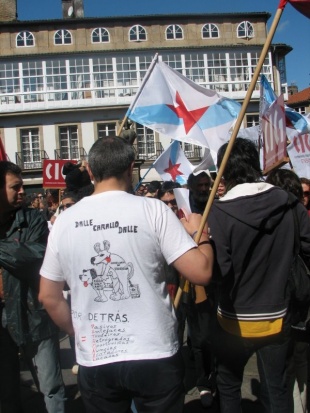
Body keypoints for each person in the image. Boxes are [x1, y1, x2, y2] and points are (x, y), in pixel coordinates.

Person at [39, 136, 214, 413]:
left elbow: (49, 296)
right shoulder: (153, 210)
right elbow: (202, 272)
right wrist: (201, 235)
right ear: (131, 167)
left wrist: (77, 329)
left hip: (96, 358)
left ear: (91, 171)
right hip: (154, 353)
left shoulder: (64, 221)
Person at [208, 138, 310, 413]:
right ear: (255, 165)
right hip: (279, 314)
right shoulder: (288, 202)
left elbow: (219, 270)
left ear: (224, 172)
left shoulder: (218, 212)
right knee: (277, 389)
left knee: (228, 387)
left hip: (232, 319)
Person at [0, 161, 65, 413]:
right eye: (15, 187)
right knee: (7, 390)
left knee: (51, 387)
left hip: (33, 314)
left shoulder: (34, 220)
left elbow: (36, 255)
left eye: (21, 187)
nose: (22, 192)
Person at [266, 168, 309, 413]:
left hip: (281, 297)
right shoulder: (298, 213)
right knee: (299, 357)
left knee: (286, 363)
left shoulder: (273, 215)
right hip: (298, 296)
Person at [185, 171, 217, 408]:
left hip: (217, 281)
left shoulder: (217, 207)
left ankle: (216, 377)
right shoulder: (184, 210)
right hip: (192, 283)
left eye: (208, 184)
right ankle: (203, 381)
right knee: (198, 337)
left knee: (215, 335)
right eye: (201, 185)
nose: (205, 188)